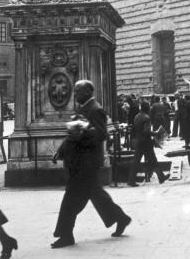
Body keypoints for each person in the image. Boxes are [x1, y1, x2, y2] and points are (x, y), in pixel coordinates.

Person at [51, 80, 131, 248]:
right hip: (80, 162)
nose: (75, 95)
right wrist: (61, 150)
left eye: (78, 92)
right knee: (96, 195)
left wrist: (82, 133)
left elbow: (102, 135)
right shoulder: (84, 109)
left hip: (86, 164)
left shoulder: (96, 110)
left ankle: (66, 235)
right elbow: (73, 134)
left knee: (70, 199)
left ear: (88, 92)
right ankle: (121, 218)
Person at [127, 101, 170, 187]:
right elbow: (146, 131)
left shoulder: (137, 116)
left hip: (139, 141)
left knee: (136, 161)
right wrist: (156, 133)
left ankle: (131, 180)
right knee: (153, 160)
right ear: (147, 108)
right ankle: (161, 177)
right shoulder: (146, 118)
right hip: (146, 142)